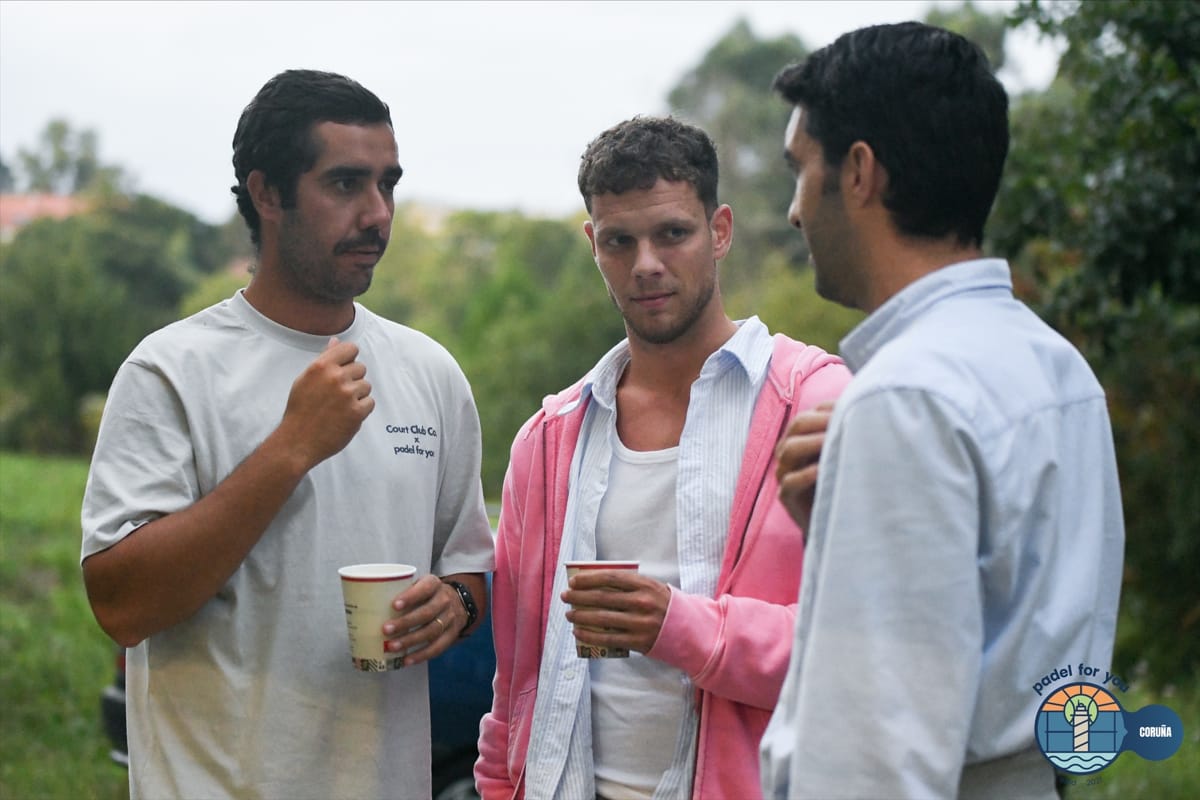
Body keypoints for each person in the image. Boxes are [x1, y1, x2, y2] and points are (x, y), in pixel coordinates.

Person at [80, 69, 494, 800]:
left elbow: (467, 570)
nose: (377, 214)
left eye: (387, 185)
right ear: (267, 193)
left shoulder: (430, 372)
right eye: (346, 184)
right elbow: (122, 605)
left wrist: (455, 607)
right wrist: (292, 448)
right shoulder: (171, 370)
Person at [758, 23, 1125, 799]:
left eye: (801, 170)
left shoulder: (905, 397)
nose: (794, 210)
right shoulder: (1057, 368)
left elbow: (874, 758)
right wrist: (843, 524)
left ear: (859, 172)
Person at [475, 116, 851, 800]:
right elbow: (515, 682)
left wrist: (678, 626)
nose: (646, 263)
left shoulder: (816, 404)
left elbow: (860, 645)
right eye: (619, 241)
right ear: (593, 245)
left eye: (672, 233)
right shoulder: (550, 439)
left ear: (720, 231)